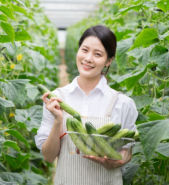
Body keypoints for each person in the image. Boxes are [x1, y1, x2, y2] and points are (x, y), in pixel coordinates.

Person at [35, 25, 138, 185]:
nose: (88, 58)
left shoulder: (122, 103)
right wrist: (57, 121)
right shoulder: (56, 98)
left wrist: (118, 162)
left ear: (108, 60)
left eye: (97, 54)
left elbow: (127, 148)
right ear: (78, 50)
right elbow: (48, 157)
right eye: (84, 50)